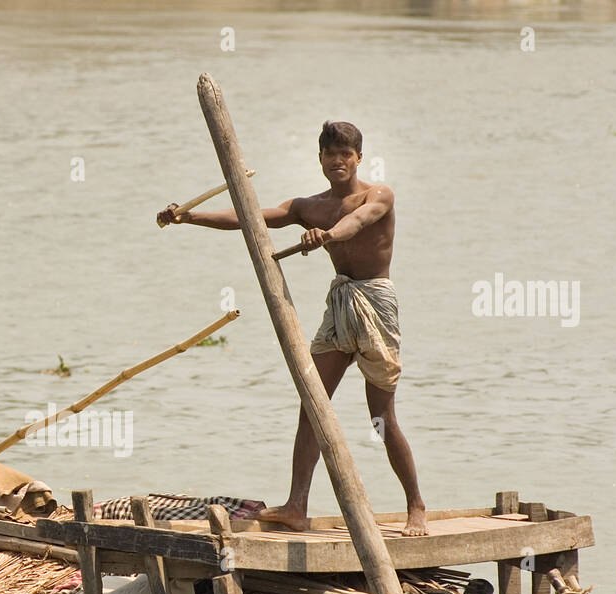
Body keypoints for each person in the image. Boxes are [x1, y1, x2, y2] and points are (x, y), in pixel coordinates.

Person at [157, 120, 427, 535]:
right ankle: (296, 506)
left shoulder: (378, 195)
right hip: (340, 304)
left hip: (375, 303)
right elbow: (250, 217)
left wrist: (327, 236)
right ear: (319, 159)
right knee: (313, 405)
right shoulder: (308, 206)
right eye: (329, 154)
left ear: (358, 158)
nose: (337, 161)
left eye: (345, 154)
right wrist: (188, 217)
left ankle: (416, 508)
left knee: (382, 416)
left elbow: (355, 223)